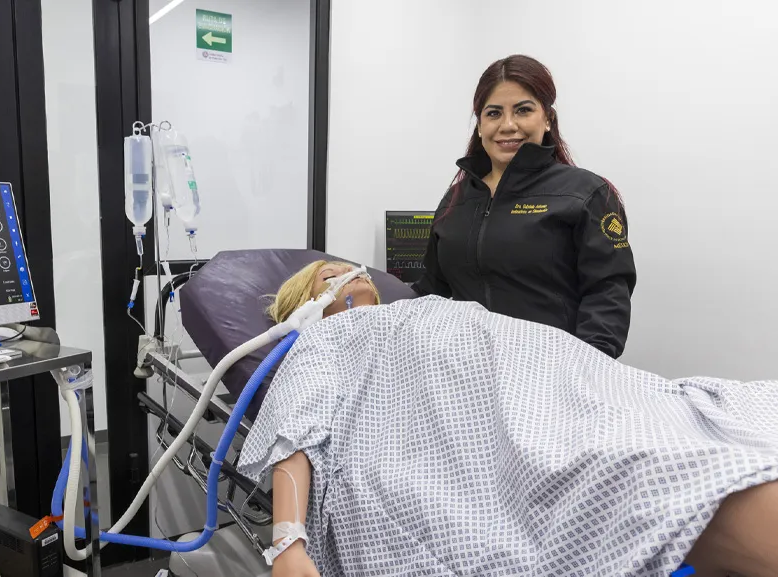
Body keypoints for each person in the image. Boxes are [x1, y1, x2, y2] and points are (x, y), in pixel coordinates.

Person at [251, 260, 778, 577]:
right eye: (330, 272)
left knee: (688, 413)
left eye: (349, 264)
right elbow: (297, 428)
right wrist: (289, 542)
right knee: (642, 463)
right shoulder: (324, 337)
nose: (351, 270)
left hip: (549, 370)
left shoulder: (423, 306)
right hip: (479, 413)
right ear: (309, 302)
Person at [414, 54, 637, 359]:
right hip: (465, 374)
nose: (508, 125)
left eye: (523, 110)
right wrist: (356, 287)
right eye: (494, 113)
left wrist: (584, 371)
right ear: (480, 126)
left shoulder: (586, 193)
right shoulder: (456, 199)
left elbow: (607, 295)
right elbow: (429, 293)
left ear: (547, 119)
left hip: (552, 375)